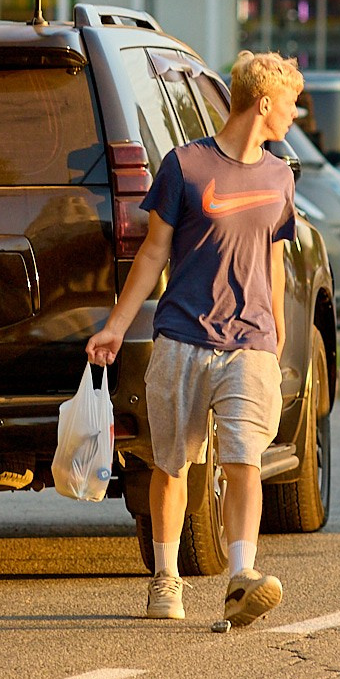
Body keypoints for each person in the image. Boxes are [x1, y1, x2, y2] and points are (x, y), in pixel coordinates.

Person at [88, 50, 304, 629]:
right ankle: (166, 576)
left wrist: (276, 338)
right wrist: (116, 326)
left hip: (249, 344)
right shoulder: (184, 166)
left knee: (244, 460)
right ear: (263, 103)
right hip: (182, 338)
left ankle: (241, 576)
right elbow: (152, 253)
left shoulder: (280, 176)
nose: (295, 114)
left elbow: (274, 262)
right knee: (172, 464)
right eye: (290, 103)